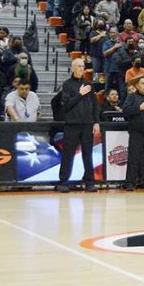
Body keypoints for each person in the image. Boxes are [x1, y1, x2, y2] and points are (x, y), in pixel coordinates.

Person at [57, 58, 100, 193]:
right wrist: (79, 95)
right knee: (68, 154)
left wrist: (96, 122)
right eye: (79, 66)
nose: (82, 68)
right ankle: (63, 182)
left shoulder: (89, 84)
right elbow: (66, 105)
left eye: (83, 66)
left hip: (87, 124)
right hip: (72, 124)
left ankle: (89, 181)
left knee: (88, 154)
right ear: (72, 68)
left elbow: (95, 105)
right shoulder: (67, 85)